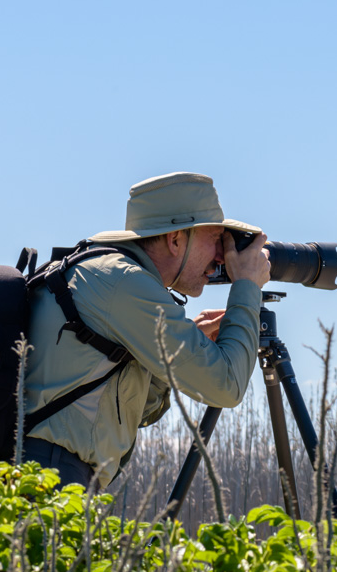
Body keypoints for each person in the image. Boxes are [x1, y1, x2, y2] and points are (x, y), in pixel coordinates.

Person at [16, 172, 271, 490]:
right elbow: (226, 385)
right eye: (216, 240)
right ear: (175, 240)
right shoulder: (123, 282)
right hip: (48, 477)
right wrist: (247, 285)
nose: (222, 257)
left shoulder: (105, 273)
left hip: (44, 474)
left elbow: (139, 413)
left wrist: (173, 359)